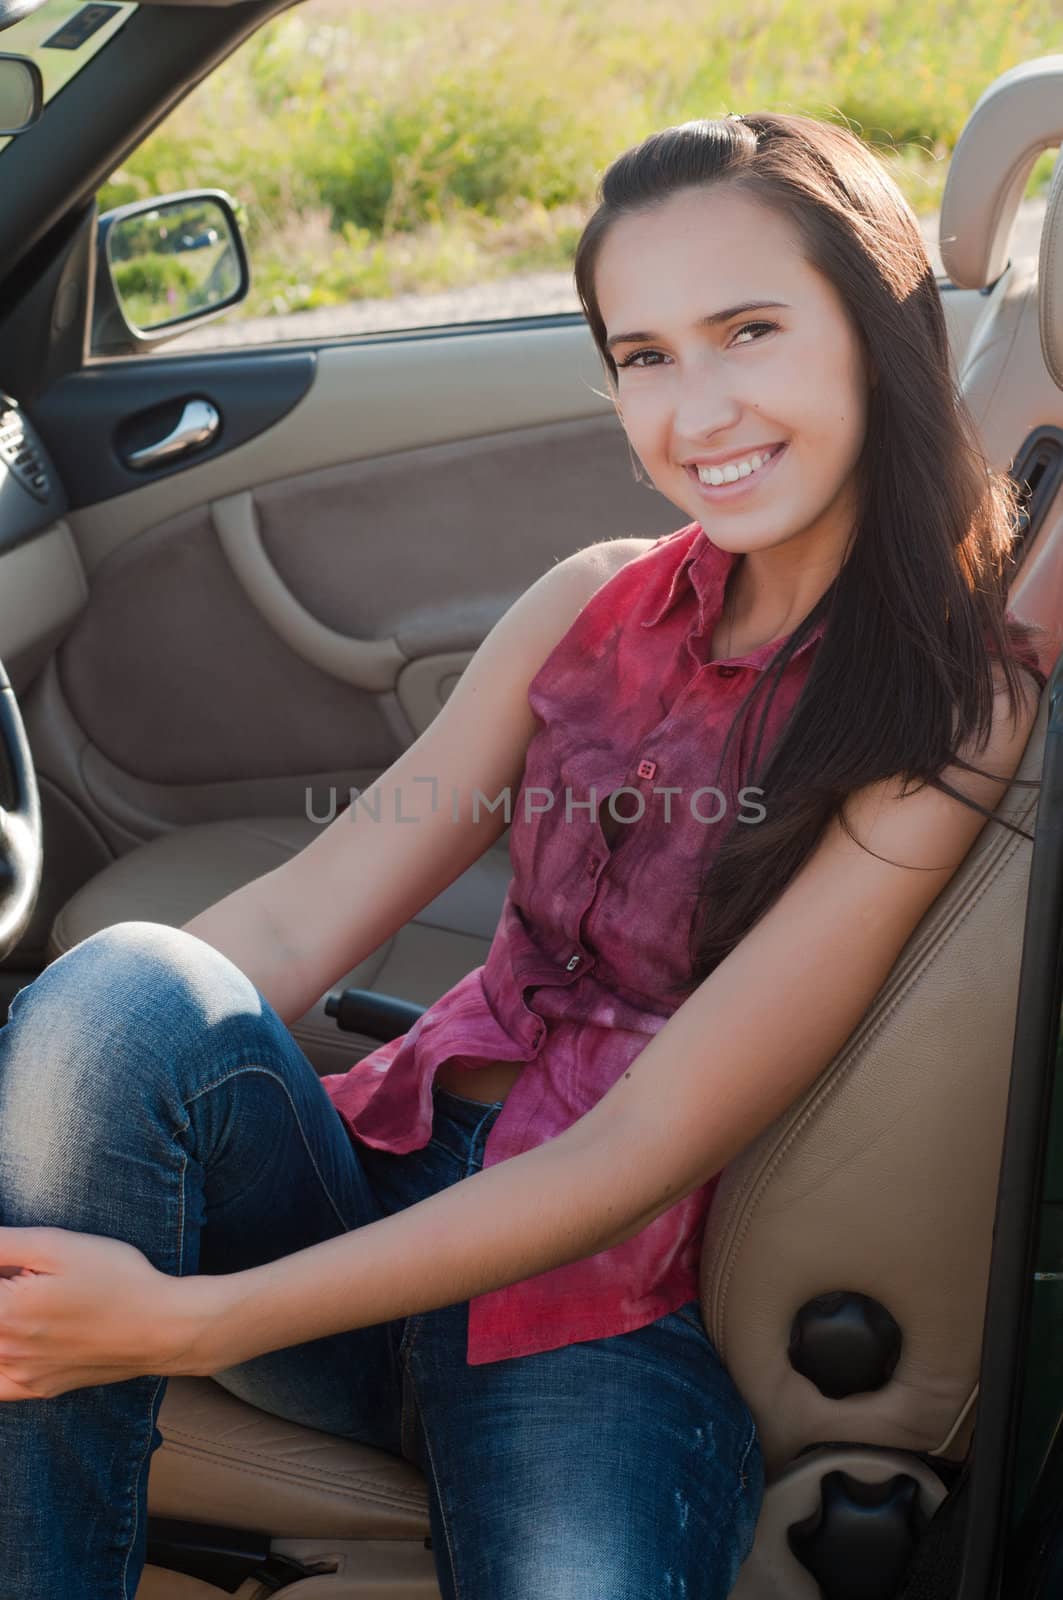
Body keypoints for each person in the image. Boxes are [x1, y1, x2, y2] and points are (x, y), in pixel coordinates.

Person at [0, 111, 1048, 1600]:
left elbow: (637, 1151)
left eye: (749, 330)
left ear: (877, 325)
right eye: (644, 356)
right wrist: (59, 1057)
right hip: (382, 1178)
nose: (698, 411)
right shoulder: (592, 605)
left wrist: (190, 1327)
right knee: (112, 994)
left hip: (614, 1305)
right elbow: (304, 920)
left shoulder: (953, 705)